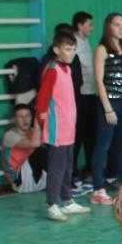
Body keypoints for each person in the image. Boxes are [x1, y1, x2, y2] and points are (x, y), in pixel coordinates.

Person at [36, 29, 90, 221]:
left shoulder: (67, 69)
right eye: (67, 49)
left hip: (68, 128)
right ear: (56, 49)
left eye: (74, 49)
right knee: (57, 168)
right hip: (56, 130)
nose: (72, 52)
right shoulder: (52, 70)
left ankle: (67, 200)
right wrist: (41, 126)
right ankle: (52, 204)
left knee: (68, 166)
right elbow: (42, 102)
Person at [90, 13, 122, 204]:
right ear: (108, 27)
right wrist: (108, 109)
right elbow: (99, 81)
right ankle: (98, 188)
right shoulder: (102, 49)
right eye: (116, 25)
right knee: (103, 145)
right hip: (109, 103)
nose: (120, 28)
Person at [71, 11, 97, 176]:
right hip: (80, 95)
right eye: (89, 25)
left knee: (90, 134)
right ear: (80, 26)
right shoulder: (74, 44)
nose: (92, 28)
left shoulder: (86, 42)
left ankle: (90, 168)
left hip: (90, 93)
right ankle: (72, 170)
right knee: (78, 134)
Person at [0, 104, 47, 193]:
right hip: (19, 182)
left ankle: (66, 182)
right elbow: (35, 144)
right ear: (15, 119)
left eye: (27, 116)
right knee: (41, 150)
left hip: (38, 180)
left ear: (31, 117)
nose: (25, 120)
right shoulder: (9, 135)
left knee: (55, 149)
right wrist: (38, 122)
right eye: (20, 117)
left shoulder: (34, 132)